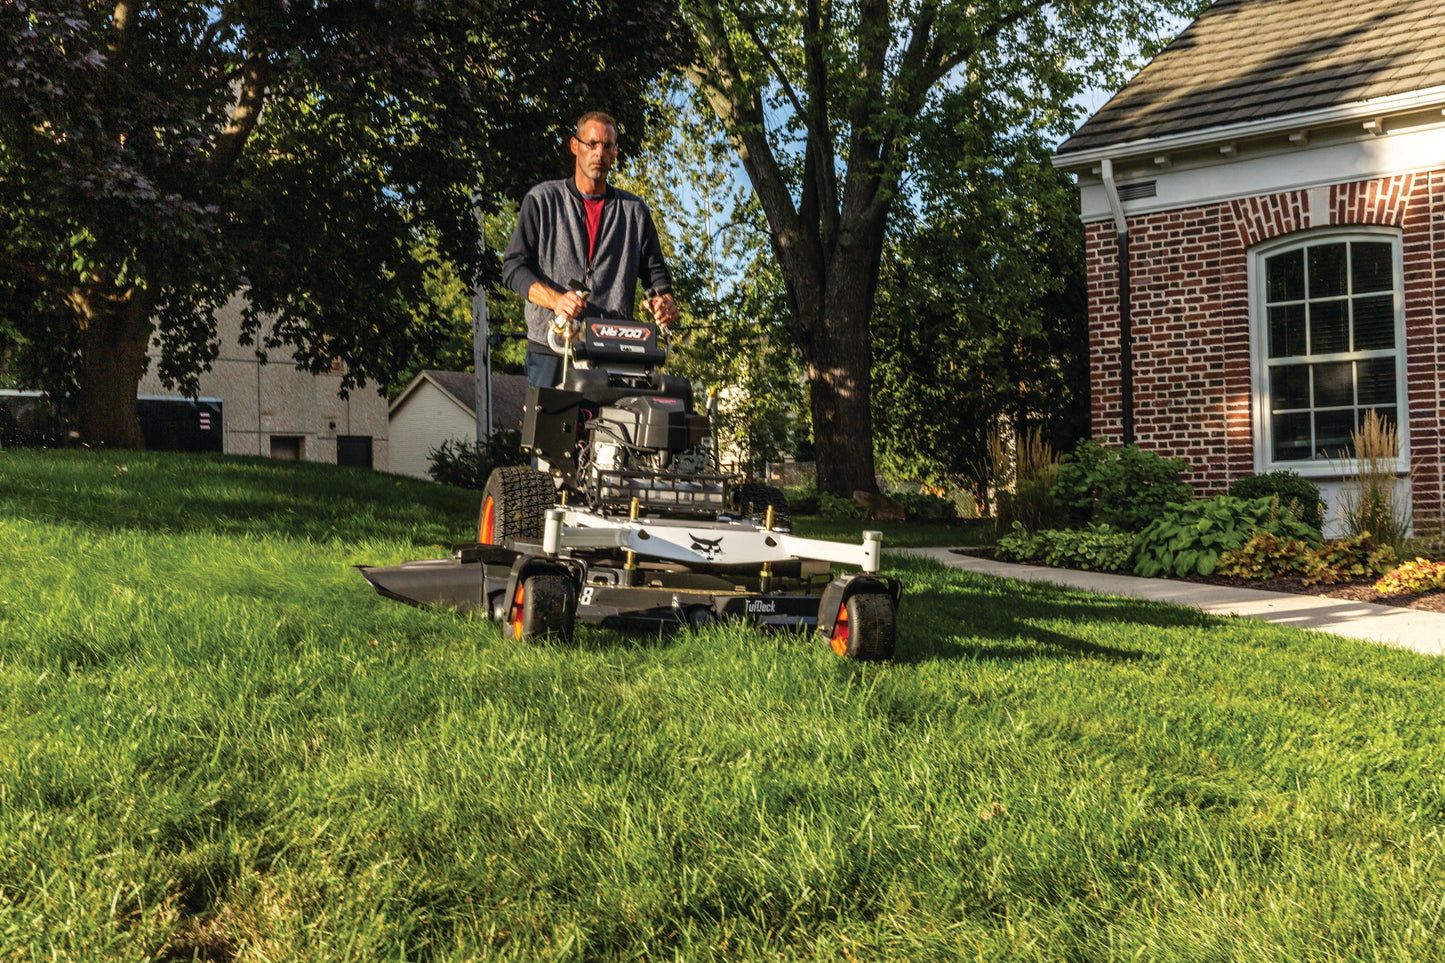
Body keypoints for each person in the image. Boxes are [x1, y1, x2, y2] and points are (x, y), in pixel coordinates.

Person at [503, 110, 680, 388]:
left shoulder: (634, 212)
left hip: (615, 350)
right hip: (552, 348)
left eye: (607, 146)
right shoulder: (542, 200)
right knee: (552, 431)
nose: (599, 152)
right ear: (575, 146)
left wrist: (664, 301)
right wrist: (556, 300)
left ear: (615, 152)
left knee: (616, 431)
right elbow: (513, 267)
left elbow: (655, 275)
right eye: (592, 144)